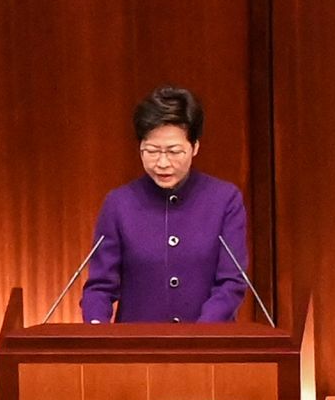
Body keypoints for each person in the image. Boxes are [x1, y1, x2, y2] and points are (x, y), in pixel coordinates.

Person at [82, 86, 248, 324]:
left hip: (208, 350)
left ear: (195, 147)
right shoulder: (119, 204)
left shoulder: (224, 200)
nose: (162, 162)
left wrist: (199, 336)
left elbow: (232, 282)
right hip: (136, 351)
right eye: (151, 151)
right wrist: (96, 331)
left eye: (174, 151)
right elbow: (100, 286)